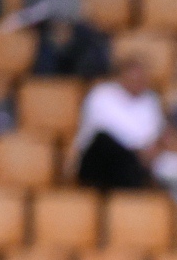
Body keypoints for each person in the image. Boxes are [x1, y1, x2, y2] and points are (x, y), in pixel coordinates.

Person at [70, 53, 167, 191]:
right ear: (122, 76)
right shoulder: (102, 94)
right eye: (134, 77)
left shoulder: (150, 100)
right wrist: (140, 148)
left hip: (134, 163)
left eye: (142, 77)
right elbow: (112, 130)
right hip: (100, 160)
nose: (138, 81)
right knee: (105, 141)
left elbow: (152, 134)